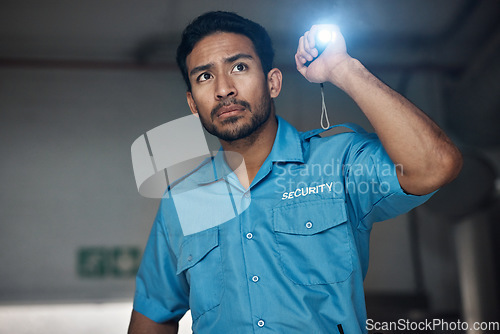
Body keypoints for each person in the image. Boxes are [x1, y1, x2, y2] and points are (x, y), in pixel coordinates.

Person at [128, 11, 462, 334]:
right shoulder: (182, 201)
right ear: (192, 103)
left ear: (273, 83)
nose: (223, 89)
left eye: (239, 67)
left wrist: (343, 69)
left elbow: (436, 166)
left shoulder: (337, 163)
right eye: (205, 76)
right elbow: (153, 316)